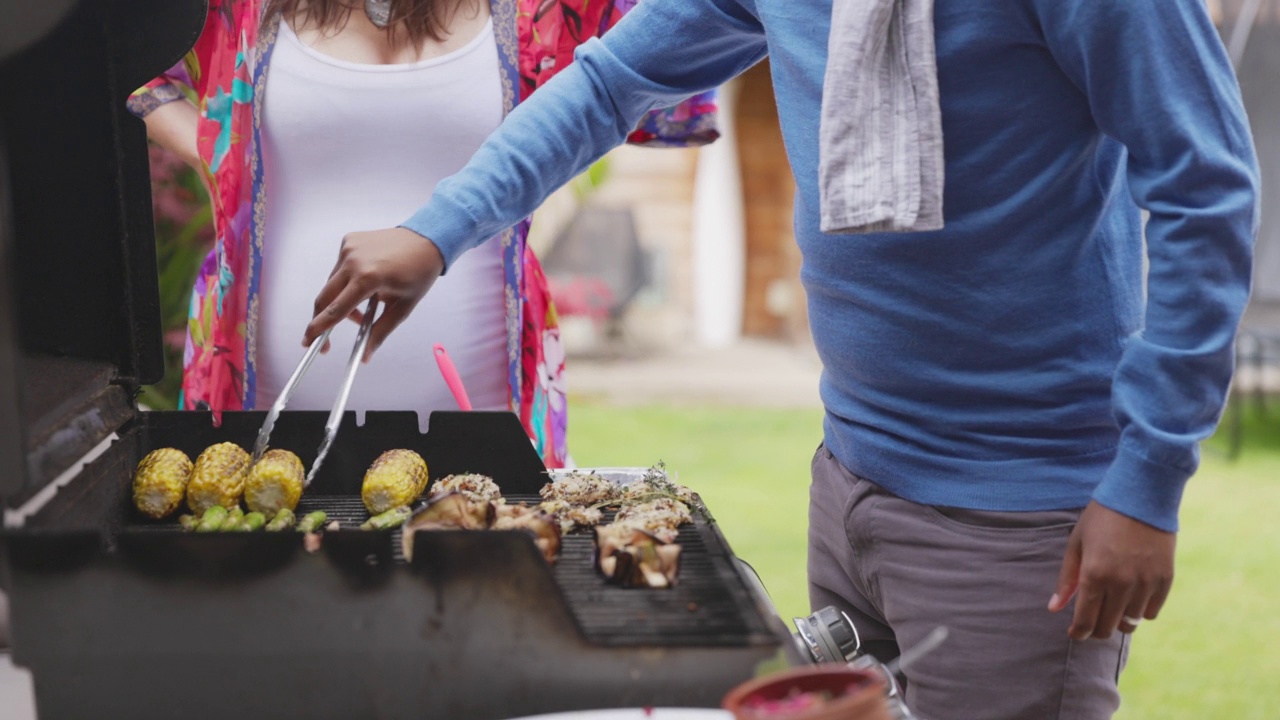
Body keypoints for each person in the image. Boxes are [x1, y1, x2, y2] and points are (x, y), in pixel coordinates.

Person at [301, 0, 1259, 717]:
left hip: (1014, 518)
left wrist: (1147, 474)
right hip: (849, 481)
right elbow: (608, 83)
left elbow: (1205, 187)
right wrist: (434, 231)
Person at [127, 0, 717, 467]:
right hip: (254, 415)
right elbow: (124, 59)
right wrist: (218, 154)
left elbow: (671, 55)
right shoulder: (233, 7)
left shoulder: (549, 8)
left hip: (492, 410)